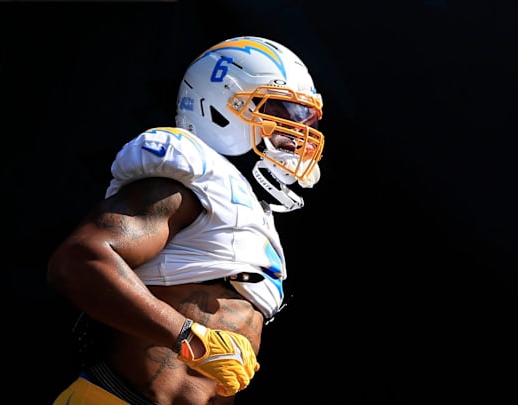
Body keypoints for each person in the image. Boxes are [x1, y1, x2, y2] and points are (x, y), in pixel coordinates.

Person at [47, 35, 325, 405]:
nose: (296, 132)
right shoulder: (195, 174)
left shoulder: (252, 209)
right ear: (220, 105)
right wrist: (191, 339)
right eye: (281, 111)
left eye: (304, 117)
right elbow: (80, 260)